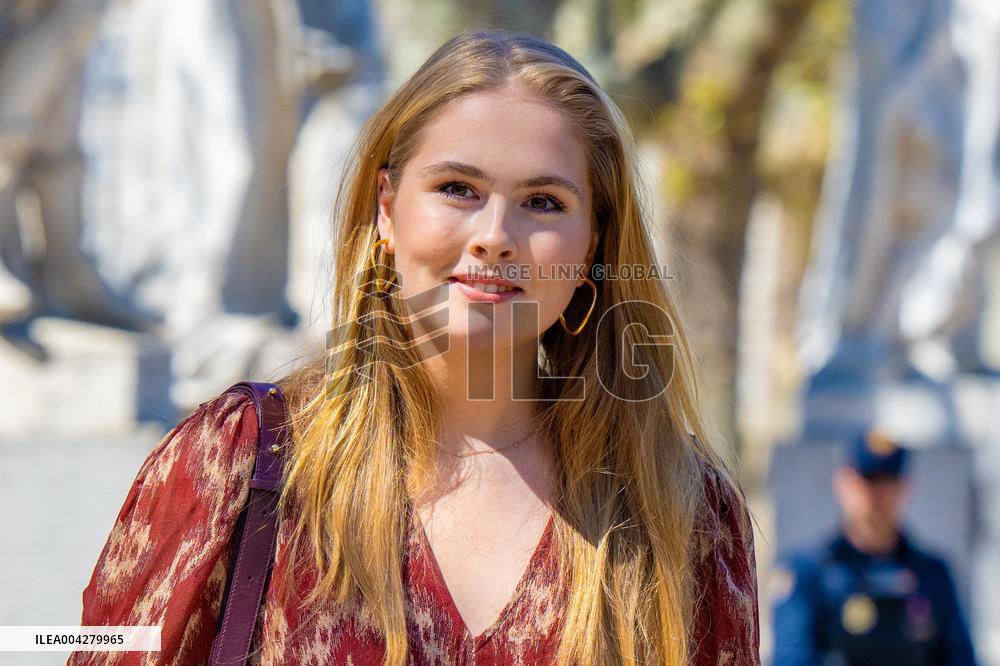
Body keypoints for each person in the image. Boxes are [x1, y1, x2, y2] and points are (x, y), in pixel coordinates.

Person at [69, 29, 759, 665]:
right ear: (386, 208)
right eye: (458, 189)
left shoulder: (682, 510)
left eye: (544, 201)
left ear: (593, 246)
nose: (495, 236)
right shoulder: (240, 464)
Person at [771, 428, 977, 665]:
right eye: (867, 481)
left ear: (905, 489)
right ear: (842, 483)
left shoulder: (932, 573)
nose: (877, 495)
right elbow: (792, 658)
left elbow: (961, 657)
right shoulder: (807, 573)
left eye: (888, 481)